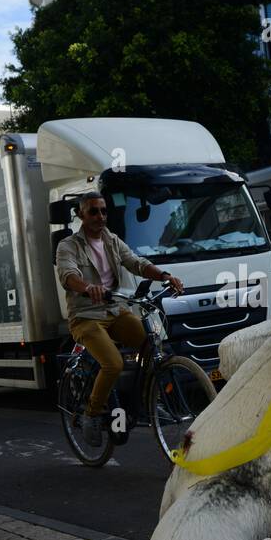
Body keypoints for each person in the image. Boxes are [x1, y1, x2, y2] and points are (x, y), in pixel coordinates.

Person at [55, 191, 184, 447]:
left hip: (114, 310)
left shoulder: (112, 240)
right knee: (113, 363)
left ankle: (152, 402)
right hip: (85, 316)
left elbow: (135, 262)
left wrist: (165, 276)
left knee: (151, 345)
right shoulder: (68, 245)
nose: (100, 216)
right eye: (93, 211)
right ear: (81, 214)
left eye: (103, 211)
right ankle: (92, 413)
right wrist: (86, 287)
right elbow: (67, 274)